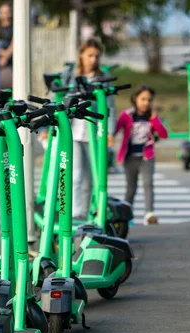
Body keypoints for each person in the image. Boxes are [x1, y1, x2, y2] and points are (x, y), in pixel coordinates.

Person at [69, 38, 116, 220]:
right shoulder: (72, 75)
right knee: (75, 175)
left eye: (96, 56)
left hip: (95, 133)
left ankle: (88, 213)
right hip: (73, 132)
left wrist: (109, 131)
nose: (93, 60)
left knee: (91, 178)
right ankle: (75, 213)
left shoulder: (104, 78)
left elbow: (110, 106)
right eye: (90, 55)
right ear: (81, 55)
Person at [114, 85, 168, 225]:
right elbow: (114, 129)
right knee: (131, 188)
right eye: (143, 99)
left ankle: (149, 214)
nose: (146, 103)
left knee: (148, 184)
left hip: (146, 157)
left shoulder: (151, 117)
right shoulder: (127, 115)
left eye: (149, 100)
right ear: (135, 99)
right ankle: (126, 216)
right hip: (129, 157)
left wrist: (155, 119)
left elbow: (163, 134)